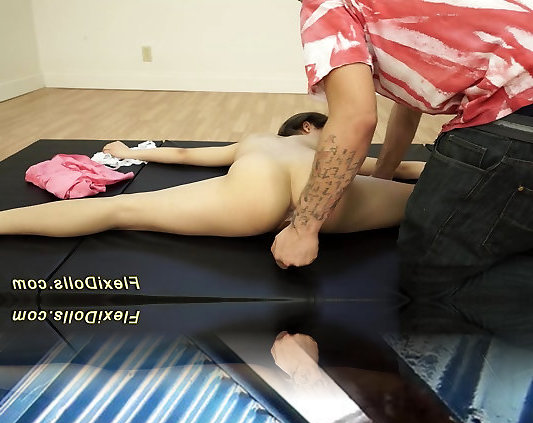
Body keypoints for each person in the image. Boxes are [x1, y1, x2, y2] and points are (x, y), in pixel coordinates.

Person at [272, 0, 533, 300]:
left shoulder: (328, 6)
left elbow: (355, 119)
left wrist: (302, 229)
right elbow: (409, 104)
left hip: (514, 108)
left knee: (425, 270)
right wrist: (382, 177)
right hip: (520, 96)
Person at [0, 113, 424, 238]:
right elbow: (404, 169)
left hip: (254, 190)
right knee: (423, 203)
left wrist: (130, 152)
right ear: (309, 128)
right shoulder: (327, 149)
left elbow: (187, 154)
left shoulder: (256, 141)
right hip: (324, 192)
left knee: (120, 210)